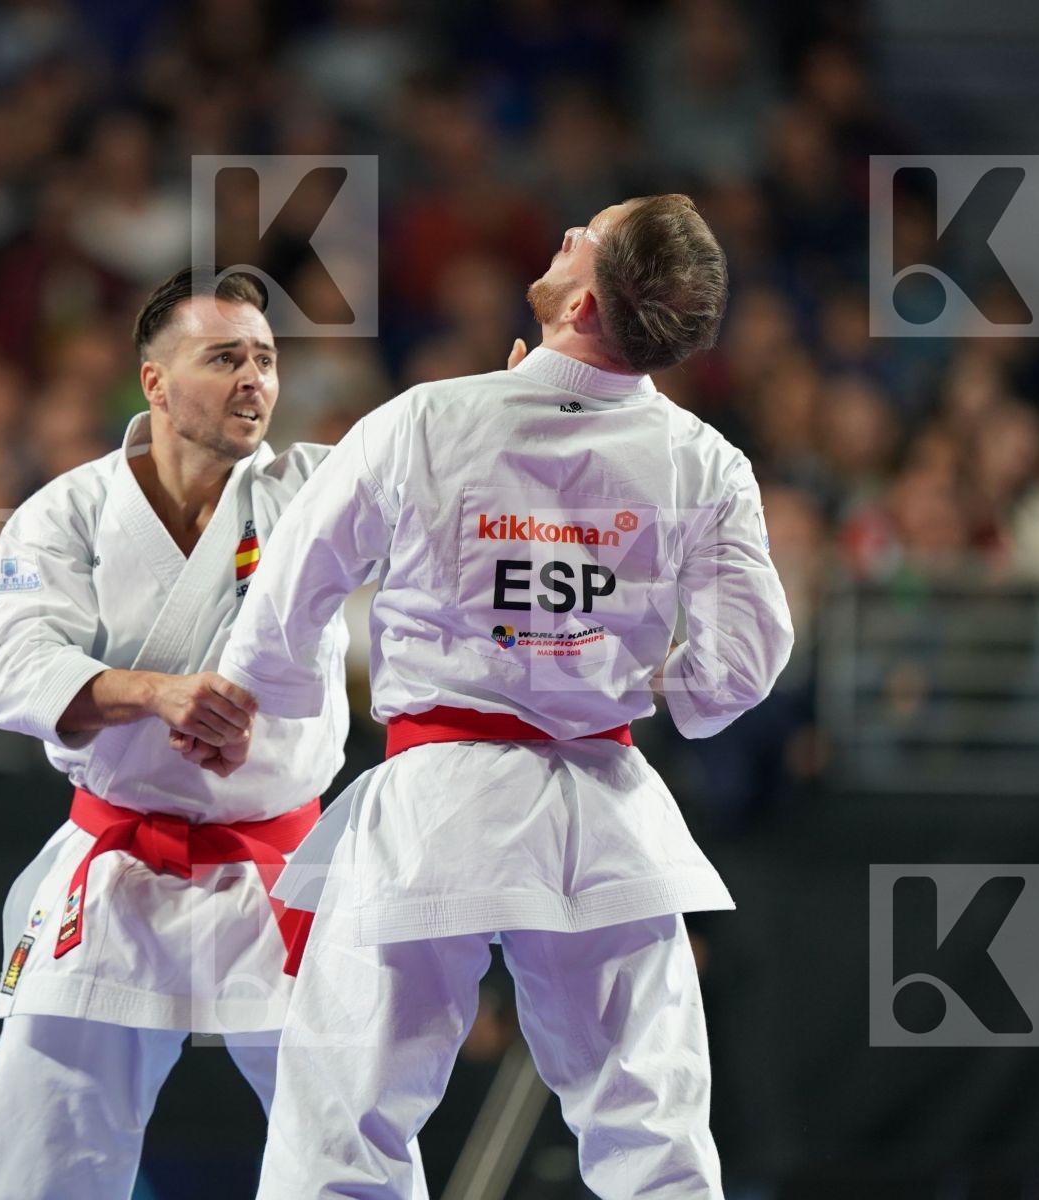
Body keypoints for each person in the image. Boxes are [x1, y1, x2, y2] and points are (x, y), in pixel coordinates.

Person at [190, 195, 795, 1198]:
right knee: (651, 1127)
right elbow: (742, 667)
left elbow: (293, 586)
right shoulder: (703, 462)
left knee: (346, 1114)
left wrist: (255, 703)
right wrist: (641, 681)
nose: (563, 236)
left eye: (585, 237)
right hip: (605, 805)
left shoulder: (432, 418)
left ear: (590, 302)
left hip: (438, 806)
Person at [0, 266, 428, 1199]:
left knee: (352, 1136)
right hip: (118, 862)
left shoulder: (313, 489)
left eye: (264, 359)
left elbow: (428, 491)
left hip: (280, 868)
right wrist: (156, 694)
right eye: (225, 358)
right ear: (155, 383)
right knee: (39, 1144)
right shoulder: (66, 513)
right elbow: (15, 672)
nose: (255, 378)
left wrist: (494, 415)